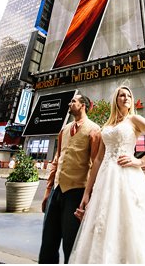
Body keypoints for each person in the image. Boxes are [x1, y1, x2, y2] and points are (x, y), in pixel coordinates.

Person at [68, 86, 145, 264]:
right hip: (105, 179)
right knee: (103, 223)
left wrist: (140, 161)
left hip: (127, 176)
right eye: (122, 95)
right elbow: (97, 160)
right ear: (116, 99)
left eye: (129, 95)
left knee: (130, 222)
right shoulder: (107, 125)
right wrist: (87, 192)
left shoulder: (134, 119)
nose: (126, 97)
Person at [38, 94, 101, 264]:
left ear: (83, 105)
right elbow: (56, 160)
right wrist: (48, 191)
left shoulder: (95, 130)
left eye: (73, 101)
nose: (69, 103)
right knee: (48, 242)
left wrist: (90, 197)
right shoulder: (64, 130)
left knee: (71, 243)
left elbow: (96, 164)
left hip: (77, 192)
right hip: (57, 191)